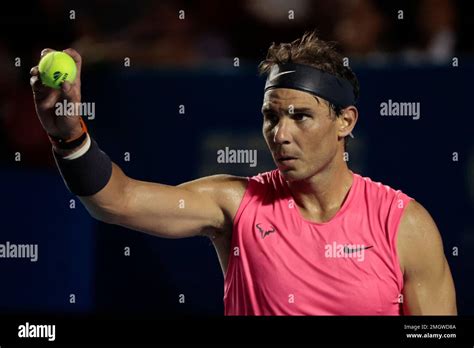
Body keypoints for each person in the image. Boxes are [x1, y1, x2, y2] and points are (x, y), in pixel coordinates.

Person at [30, 31, 456, 316]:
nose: (281, 134)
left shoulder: (405, 226)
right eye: (270, 117)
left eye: (300, 116)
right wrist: (69, 136)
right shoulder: (234, 204)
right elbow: (114, 200)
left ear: (345, 121)